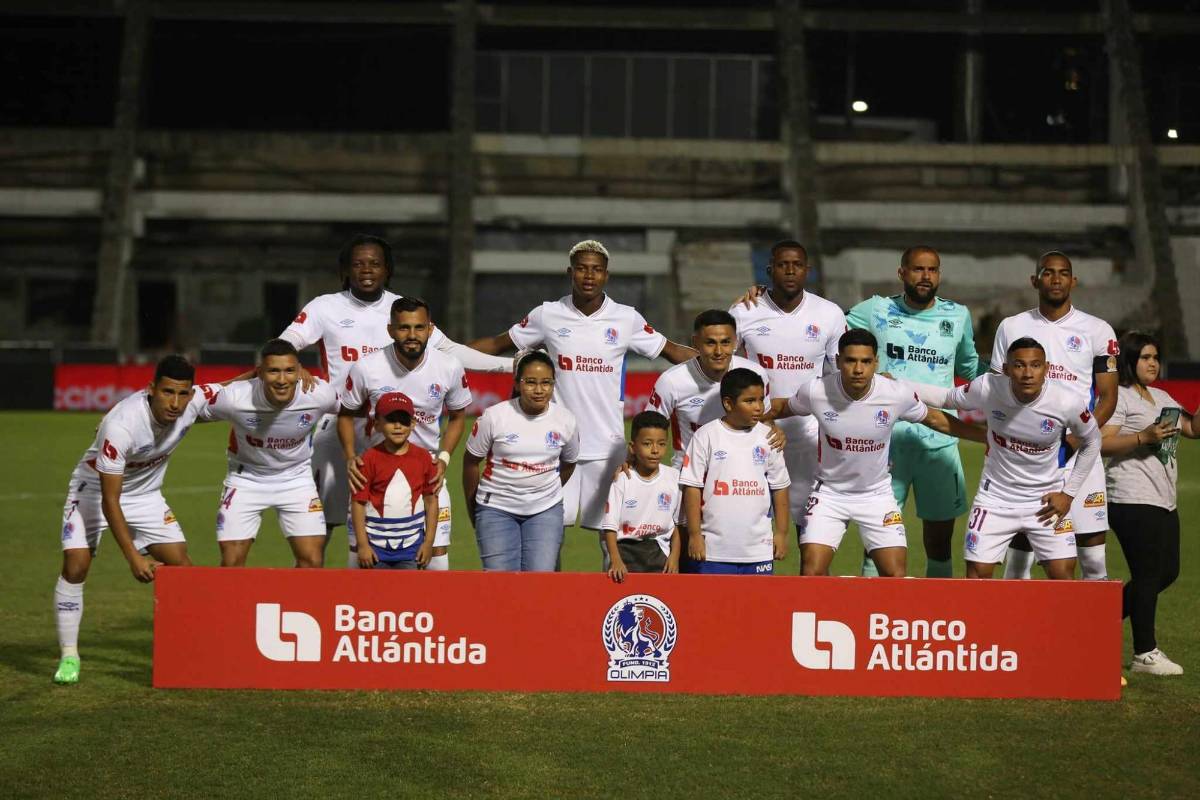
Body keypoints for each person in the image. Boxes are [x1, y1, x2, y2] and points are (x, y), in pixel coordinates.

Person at [279, 233, 512, 566]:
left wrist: (510, 365)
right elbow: (285, 343)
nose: (366, 270)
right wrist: (293, 363)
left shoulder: (404, 311)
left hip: (396, 433)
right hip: (341, 429)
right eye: (358, 264)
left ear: (388, 269)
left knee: (389, 527)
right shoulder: (324, 307)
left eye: (375, 263)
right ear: (345, 270)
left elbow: (451, 351)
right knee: (319, 531)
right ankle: (315, 602)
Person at [468, 239, 695, 565]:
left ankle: (609, 610)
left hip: (609, 448)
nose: (589, 275)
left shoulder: (625, 318)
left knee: (616, 540)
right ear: (570, 272)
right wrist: (448, 352)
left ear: (606, 275)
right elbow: (498, 342)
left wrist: (729, 367)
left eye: (597, 270)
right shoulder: (548, 315)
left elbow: (672, 350)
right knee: (545, 537)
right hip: (556, 449)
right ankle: (546, 606)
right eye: (582, 268)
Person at [53, 355, 212, 684]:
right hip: (94, 491)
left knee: (184, 570)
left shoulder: (193, 404)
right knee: (76, 564)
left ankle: (189, 651)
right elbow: (111, 501)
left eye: (183, 394)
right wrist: (134, 557)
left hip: (146, 497)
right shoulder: (121, 426)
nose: (175, 402)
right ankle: (69, 656)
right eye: (168, 392)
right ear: (151, 388)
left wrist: (258, 371)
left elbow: (229, 388)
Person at [771, 329, 962, 578]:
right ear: (838, 361)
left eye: (865, 361)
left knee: (895, 575)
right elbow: (784, 407)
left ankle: (878, 617)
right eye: (851, 361)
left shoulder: (895, 393)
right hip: (830, 494)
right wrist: (763, 420)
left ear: (876, 362)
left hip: (876, 495)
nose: (858, 369)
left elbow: (934, 419)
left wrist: (985, 435)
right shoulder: (816, 391)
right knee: (811, 572)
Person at [913, 337, 1102, 580]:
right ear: (1006, 369)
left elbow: (1093, 440)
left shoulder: (1067, 402)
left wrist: (1069, 493)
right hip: (995, 500)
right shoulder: (988, 386)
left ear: (1046, 368)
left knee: (1063, 577)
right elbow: (947, 398)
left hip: (1045, 502)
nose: (1027, 373)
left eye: (1035, 365)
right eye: (1019, 365)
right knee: (977, 576)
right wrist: (898, 386)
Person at [845, 246, 982, 577]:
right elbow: (826, 323)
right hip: (884, 443)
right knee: (877, 541)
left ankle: (936, 615)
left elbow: (970, 367)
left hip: (939, 443)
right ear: (902, 273)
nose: (926, 276)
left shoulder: (957, 316)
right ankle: (871, 617)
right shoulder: (875, 310)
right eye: (918, 269)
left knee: (939, 542)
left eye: (932, 270)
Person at [990, 251, 1119, 580]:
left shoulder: (1097, 329)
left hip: (1079, 457)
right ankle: (1016, 631)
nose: (1056, 279)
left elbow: (1108, 396)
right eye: (1048, 273)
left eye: (1064, 273)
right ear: (1035, 280)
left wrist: (1075, 441)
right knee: (1019, 564)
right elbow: (997, 389)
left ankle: (1090, 632)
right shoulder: (1012, 327)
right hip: (1025, 458)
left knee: (1093, 559)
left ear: (1073, 281)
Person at [338, 296, 470, 571]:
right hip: (376, 473)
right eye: (404, 328)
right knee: (362, 555)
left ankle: (432, 614)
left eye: (419, 327)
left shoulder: (449, 366)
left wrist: (443, 458)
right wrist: (351, 457)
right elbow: (346, 414)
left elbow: (458, 417)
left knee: (435, 555)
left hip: (427, 471)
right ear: (390, 330)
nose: (412, 335)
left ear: (430, 330)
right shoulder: (367, 367)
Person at [730, 240, 846, 540]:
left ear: (808, 270)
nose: (790, 271)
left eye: (797, 265)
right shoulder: (744, 311)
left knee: (810, 536)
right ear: (770, 270)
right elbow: (725, 369)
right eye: (783, 265)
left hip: (809, 436)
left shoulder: (829, 314)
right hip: (754, 433)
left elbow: (839, 379)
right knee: (752, 531)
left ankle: (809, 588)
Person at [1101, 331, 1195, 675]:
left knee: (1167, 572)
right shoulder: (1120, 398)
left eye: (1155, 357)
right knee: (1147, 573)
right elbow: (1099, 443)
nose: (1153, 363)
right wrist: (1143, 437)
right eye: (1145, 357)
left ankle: (1092, 620)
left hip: (1163, 498)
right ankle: (1145, 653)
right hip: (1130, 496)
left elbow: (1192, 429)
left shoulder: (1162, 395)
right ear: (1129, 360)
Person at [199, 339, 340, 569]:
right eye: (274, 371)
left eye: (289, 371)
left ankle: (293, 605)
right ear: (260, 373)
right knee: (231, 562)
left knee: (312, 561)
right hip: (246, 479)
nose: (282, 380)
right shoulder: (235, 398)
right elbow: (193, 412)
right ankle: (236, 605)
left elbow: (348, 411)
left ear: (299, 371)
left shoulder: (318, 394)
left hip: (297, 479)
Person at [462, 352, 580, 571]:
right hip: (496, 510)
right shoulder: (494, 417)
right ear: (517, 383)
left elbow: (569, 463)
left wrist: (543, 489)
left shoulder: (566, 421)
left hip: (546, 510)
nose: (538, 390)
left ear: (554, 384)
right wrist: (476, 511)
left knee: (539, 584)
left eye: (546, 383)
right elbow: (470, 462)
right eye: (530, 382)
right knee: (500, 586)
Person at [679, 368, 790, 575]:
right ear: (728, 403)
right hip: (713, 550)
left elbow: (780, 487)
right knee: (712, 607)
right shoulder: (706, 436)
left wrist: (782, 533)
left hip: (758, 550)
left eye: (760, 400)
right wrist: (694, 535)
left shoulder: (770, 437)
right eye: (749, 401)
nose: (758, 407)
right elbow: (692, 487)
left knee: (757, 606)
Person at [350, 392, 440, 570]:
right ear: (377, 424)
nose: (398, 426)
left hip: (412, 549)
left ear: (413, 424)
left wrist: (428, 543)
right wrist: (362, 545)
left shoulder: (423, 458)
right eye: (391, 420)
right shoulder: (368, 459)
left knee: (408, 596)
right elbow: (358, 504)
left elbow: (431, 501)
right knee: (374, 597)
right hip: (375, 550)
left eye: (404, 420)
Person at [602, 411, 682, 582]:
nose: (655, 450)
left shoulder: (674, 478)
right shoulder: (622, 479)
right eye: (647, 444)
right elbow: (609, 527)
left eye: (661, 444)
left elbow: (676, 527)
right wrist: (615, 560)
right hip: (625, 551)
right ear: (633, 447)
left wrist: (674, 558)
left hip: (659, 551)